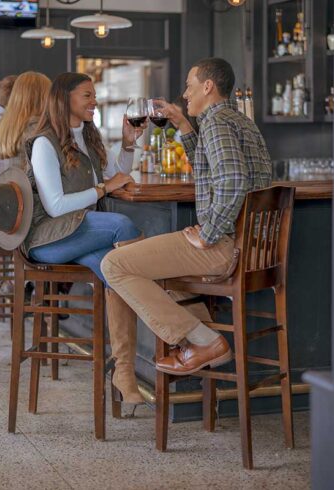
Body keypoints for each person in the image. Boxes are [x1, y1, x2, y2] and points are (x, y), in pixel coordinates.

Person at [102, 58, 272, 376]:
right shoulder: (236, 120)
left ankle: (204, 341)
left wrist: (209, 233)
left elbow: (233, 181)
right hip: (252, 244)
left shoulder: (217, 123)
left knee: (115, 264)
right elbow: (209, 166)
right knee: (139, 268)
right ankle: (196, 340)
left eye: (189, 86)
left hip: (226, 246)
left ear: (208, 86)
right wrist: (182, 124)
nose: (185, 94)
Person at [24, 72, 147, 404]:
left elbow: (115, 175)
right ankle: (167, 299)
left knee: (116, 271)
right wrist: (105, 188)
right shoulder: (44, 143)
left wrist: (128, 143)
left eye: (94, 96)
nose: (94, 102)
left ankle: (123, 371)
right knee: (122, 224)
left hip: (79, 235)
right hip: (49, 240)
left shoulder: (87, 137)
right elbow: (56, 206)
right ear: (65, 99)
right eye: (87, 96)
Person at [0, 71, 51, 178]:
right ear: (42, 99)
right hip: (28, 194)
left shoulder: (0, 126)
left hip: (2, 193)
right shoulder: (38, 129)